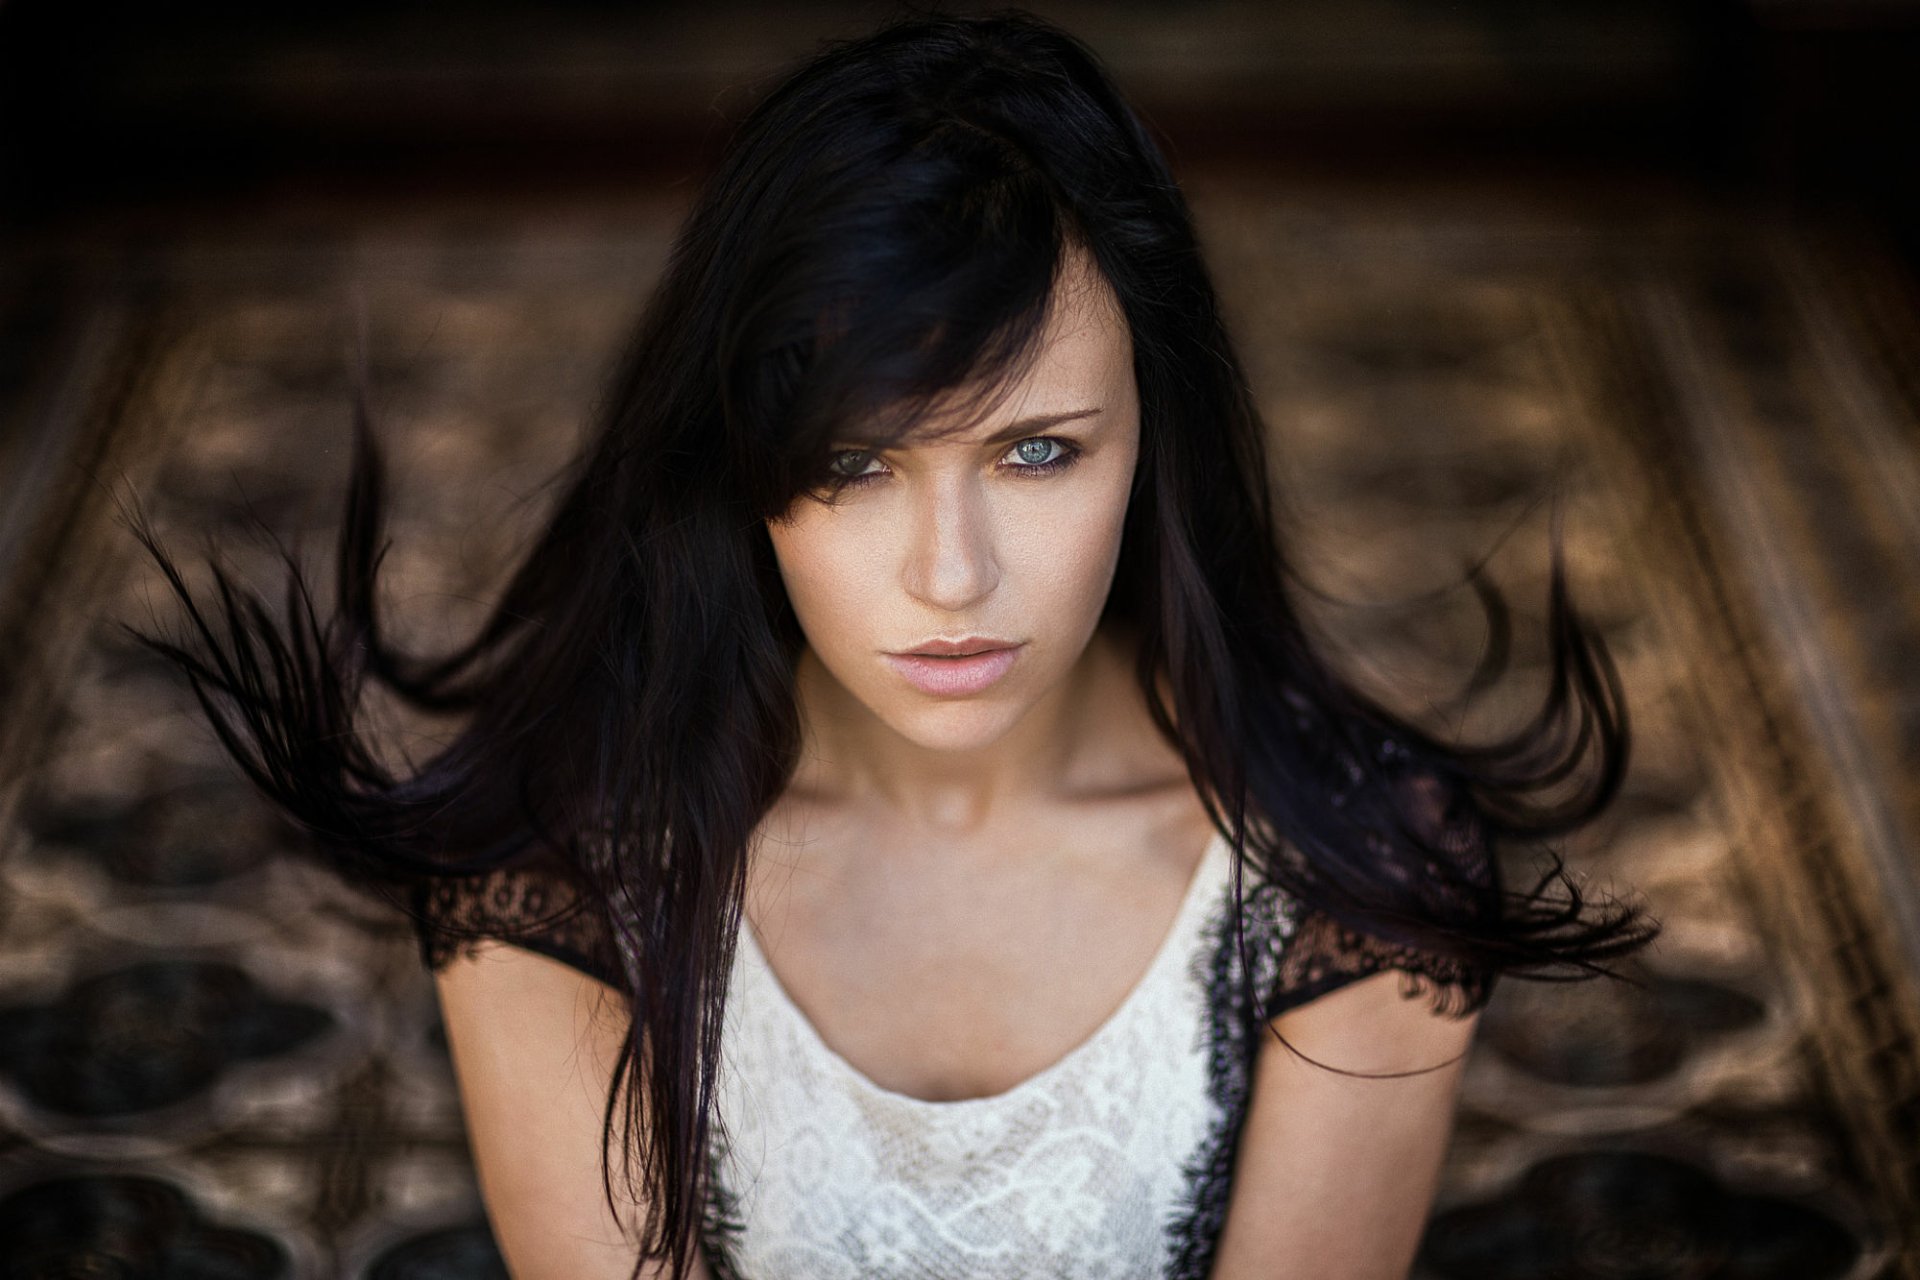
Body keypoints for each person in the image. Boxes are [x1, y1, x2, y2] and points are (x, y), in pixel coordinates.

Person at [122, 9, 1658, 1279]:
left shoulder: (1362, 877)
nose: (951, 577)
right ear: (740, 463)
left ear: (1155, 440)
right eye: (855, 466)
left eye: (1039, 452)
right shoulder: (552, 869)